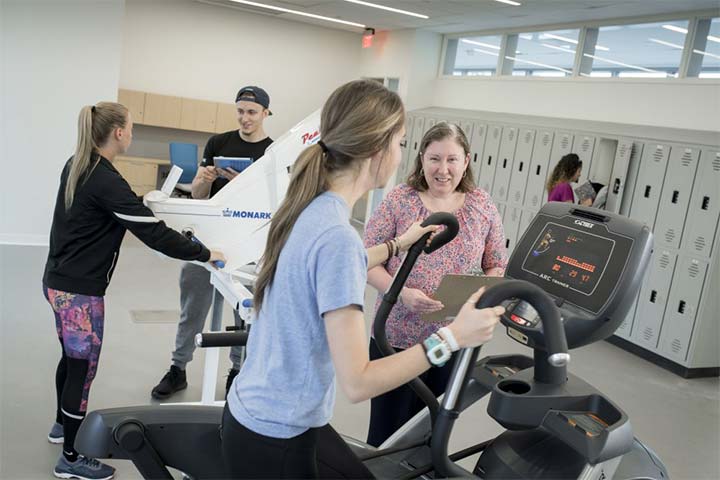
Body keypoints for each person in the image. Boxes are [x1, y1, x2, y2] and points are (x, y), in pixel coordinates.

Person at [221, 80, 506, 478]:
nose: (402, 154)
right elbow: (358, 381)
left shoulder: (313, 209)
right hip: (278, 435)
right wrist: (454, 338)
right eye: (402, 142)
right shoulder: (337, 236)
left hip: (258, 415)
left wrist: (396, 245)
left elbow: (334, 261)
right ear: (379, 150)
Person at [43, 102, 225, 480]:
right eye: (131, 127)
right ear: (120, 133)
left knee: (71, 360)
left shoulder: (80, 163)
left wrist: (144, 203)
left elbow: (118, 210)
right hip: (79, 294)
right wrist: (205, 253)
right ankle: (72, 459)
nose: (133, 132)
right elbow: (153, 234)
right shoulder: (105, 178)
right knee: (83, 370)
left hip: (57, 282)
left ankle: (62, 426)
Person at [363, 122, 508, 446]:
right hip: (397, 337)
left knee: (430, 433)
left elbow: (497, 263)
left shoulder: (481, 205)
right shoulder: (401, 200)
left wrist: (481, 290)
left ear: (466, 161)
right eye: (434, 159)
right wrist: (400, 293)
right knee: (387, 434)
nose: (443, 169)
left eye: (452, 159)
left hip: (452, 340)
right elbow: (366, 260)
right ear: (421, 159)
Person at [151, 86, 273, 400]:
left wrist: (241, 186)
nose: (245, 118)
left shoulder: (272, 154)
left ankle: (237, 370)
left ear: (265, 114)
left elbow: (273, 206)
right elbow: (199, 197)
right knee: (192, 307)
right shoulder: (218, 143)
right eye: (241, 111)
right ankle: (178, 368)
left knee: (243, 311)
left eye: (251, 112)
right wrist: (203, 181)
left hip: (246, 245)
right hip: (206, 240)